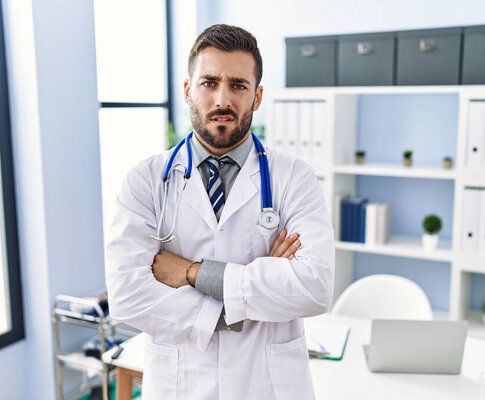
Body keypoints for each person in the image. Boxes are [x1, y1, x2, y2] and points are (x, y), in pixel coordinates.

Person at [105, 24, 334, 399]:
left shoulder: (294, 178)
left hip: (268, 384)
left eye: (238, 86)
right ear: (187, 90)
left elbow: (314, 287)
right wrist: (239, 306)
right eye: (209, 83)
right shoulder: (145, 181)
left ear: (257, 97)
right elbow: (128, 295)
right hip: (182, 383)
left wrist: (192, 273)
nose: (222, 99)